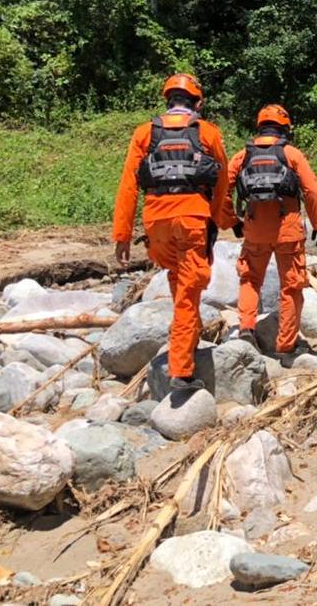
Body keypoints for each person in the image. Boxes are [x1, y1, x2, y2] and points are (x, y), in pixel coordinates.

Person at [112, 73, 230, 392]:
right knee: (190, 293)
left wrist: (122, 235)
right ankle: (180, 371)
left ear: (168, 100)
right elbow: (222, 180)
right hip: (193, 218)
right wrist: (216, 220)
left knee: (181, 283)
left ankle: (187, 335)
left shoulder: (143, 134)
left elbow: (128, 187)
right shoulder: (207, 132)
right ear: (198, 103)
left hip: (156, 223)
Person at [224, 104, 317, 358]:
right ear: (284, 128)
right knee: (291, 287)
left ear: (260, 126)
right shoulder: (291, 153)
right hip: (288, 229)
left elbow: (221, 191)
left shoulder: (242, 156)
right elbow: (312, 191)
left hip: (254, 228)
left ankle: (247, 327)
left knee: (250, 279)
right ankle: (286, 345)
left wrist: (232, 221)